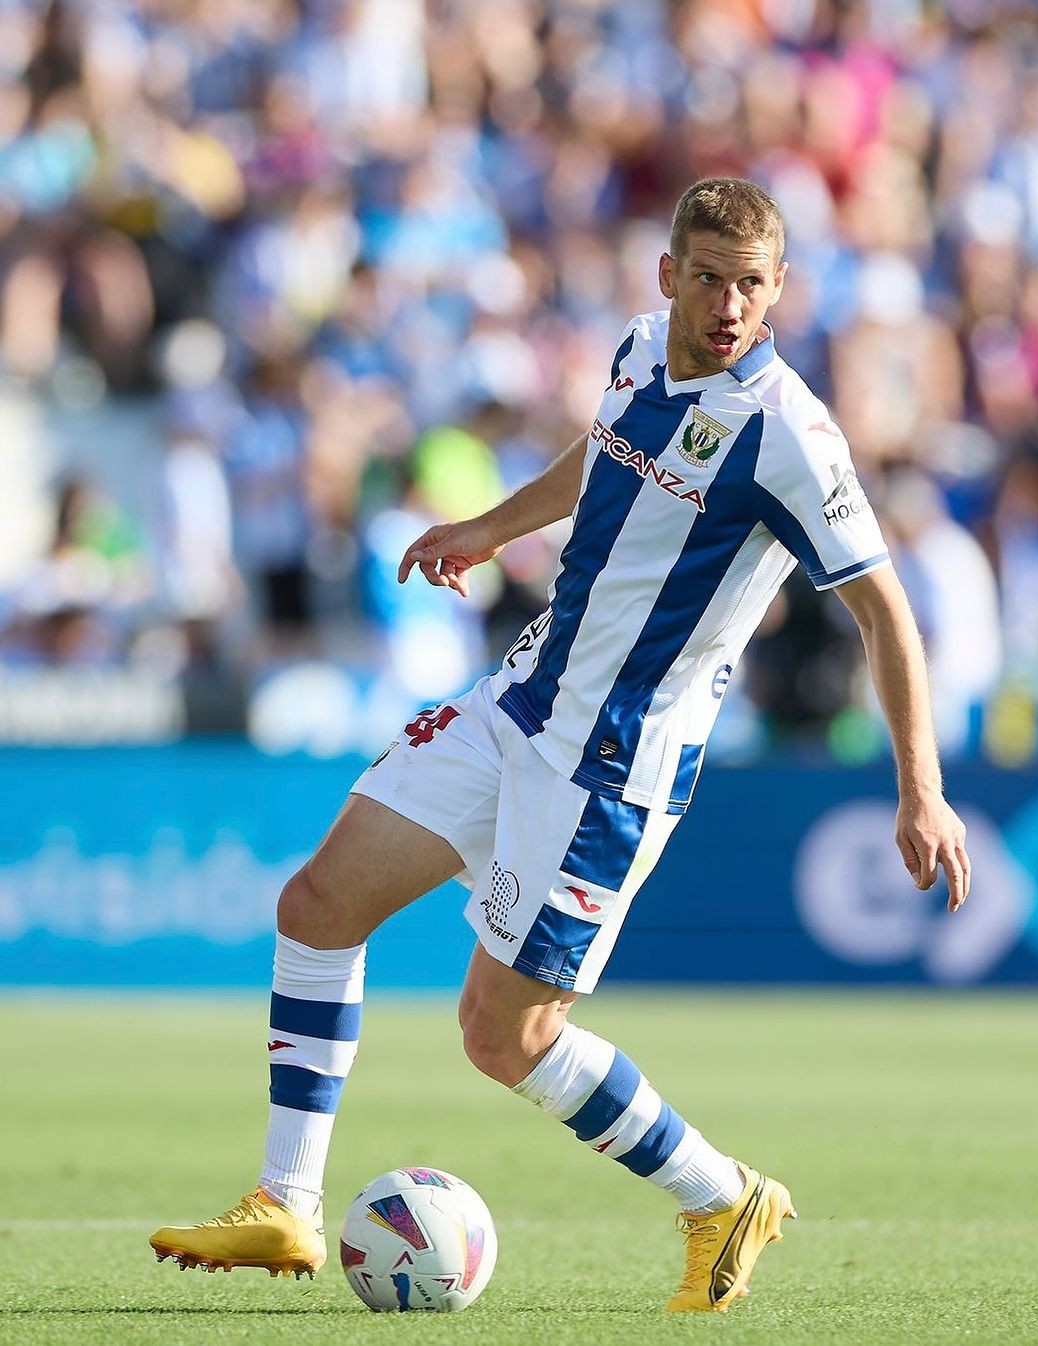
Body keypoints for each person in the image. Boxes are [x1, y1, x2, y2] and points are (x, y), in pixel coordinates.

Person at [150, 178, 971, 1313]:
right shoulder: (641, 350)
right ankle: (285, 1200)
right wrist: (492, 526)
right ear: (668, 275)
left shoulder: (790, 435)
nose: (730, 305)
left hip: (611, 766)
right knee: (318, 903)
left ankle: (720, 1190)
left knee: (504, 1033)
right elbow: (606, 456)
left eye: (753, 285)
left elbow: (884, 611)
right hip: (520, 696)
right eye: (710, 278)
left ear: (779, 292)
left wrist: (921, 789)